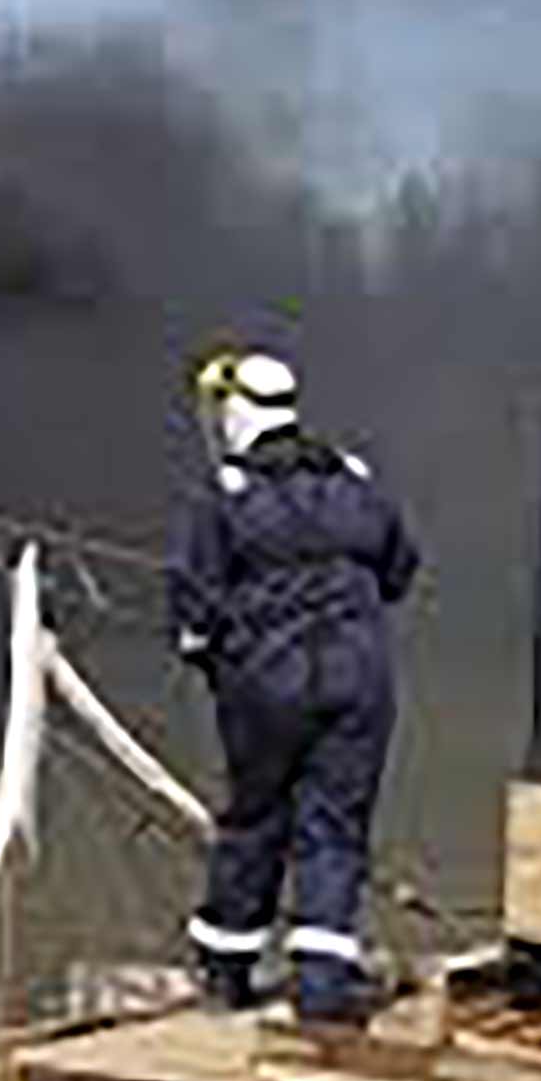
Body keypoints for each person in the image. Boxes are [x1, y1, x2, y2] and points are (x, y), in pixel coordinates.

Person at [168, 345, 422, 1026]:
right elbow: (399, 570)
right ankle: (319, 990)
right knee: (334, 830)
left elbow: (192, 615)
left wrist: (213, 651)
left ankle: (226, 974)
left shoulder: (224, 496)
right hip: (360, 683)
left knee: (254, 820)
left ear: (237, 412)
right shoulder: (355, 481)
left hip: (266, 687)